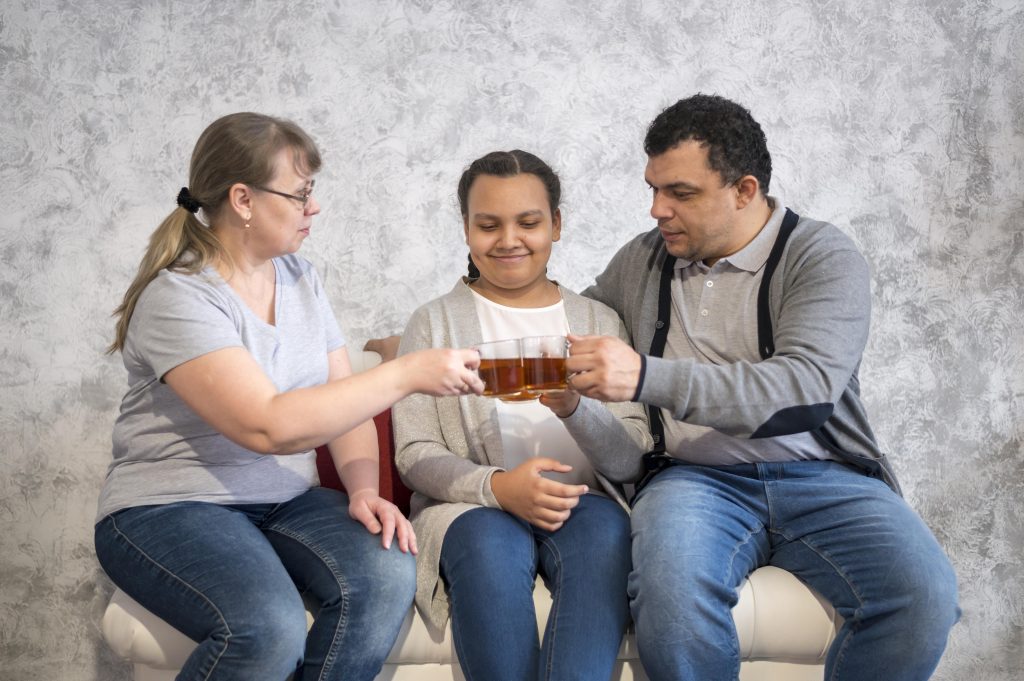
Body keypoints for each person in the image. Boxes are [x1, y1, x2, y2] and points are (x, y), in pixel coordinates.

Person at [566, 94, 960, 680]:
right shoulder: (645, 260)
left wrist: (647, 376)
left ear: (744, 190)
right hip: (693, 480)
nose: (657, 210)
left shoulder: (821, 255)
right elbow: (571, 320)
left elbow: (804, 389)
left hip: (825, 477)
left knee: (924, 595)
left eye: (681, 192)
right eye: (653, 189)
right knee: (673, 600)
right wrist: (437, 334)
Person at [94, 112, 484, 681]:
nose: (314, 207)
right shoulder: (178, 297)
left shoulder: (301, 278)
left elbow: (339, 396)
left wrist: (363, 490)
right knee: (267, 627)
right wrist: (404, 373)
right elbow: (267, 427)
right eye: (301, 194)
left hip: (283, 500)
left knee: (386, 575)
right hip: (170, 505)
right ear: (243, 200)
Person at [392, 150, 653, 681]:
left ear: (555, 225)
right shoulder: (434, 323)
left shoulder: (598, 322)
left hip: (583, 505)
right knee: (488, 543)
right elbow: (414, 453)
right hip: (473, 510)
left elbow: (630, 457)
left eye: (528, 222)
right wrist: (498, 487)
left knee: (607, 533)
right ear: (466, 230)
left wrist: (576, 409)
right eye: (488, 224)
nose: (509, 239)